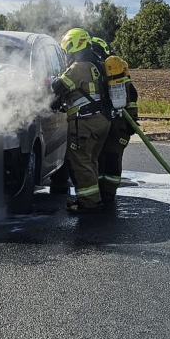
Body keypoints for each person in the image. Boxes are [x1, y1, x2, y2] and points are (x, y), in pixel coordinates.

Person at [51, 28, 111, 214]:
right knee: (90, 160)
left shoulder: (79, 68)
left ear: (75, 46)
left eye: (68, 48)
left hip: (85, 122)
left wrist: (51, 80)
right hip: (101, 120)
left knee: (80, 162)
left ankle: (89, 204)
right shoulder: (95, 66)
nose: (67, 53)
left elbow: (59, 86)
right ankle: (93, 198)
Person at [90, 36, 140, 205]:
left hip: (111, 123)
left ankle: (104, 193)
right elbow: (132, 95)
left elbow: (131, 96)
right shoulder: (115, 68)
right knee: (111, 157)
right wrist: (131, 121)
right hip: (118, 123)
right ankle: (107, 193)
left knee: (103, 157)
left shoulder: (105, 70)